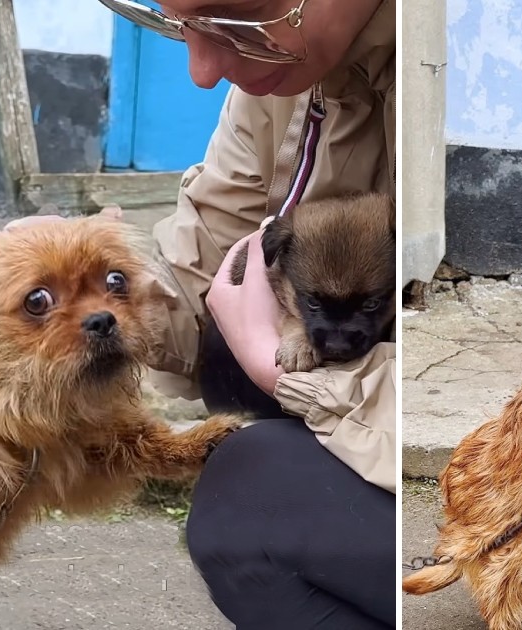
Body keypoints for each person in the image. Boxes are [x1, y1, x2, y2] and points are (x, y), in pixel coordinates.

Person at [27, 1, 396, 628]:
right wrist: (105, 294)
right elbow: (202, 261)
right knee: (242, 485)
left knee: (248, 510)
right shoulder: (283, 77)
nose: (202, 70)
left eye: (234, 18)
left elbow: (469, 400)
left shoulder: (459, 79)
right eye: (177, 26)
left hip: (442, 473)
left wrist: (295, 379)